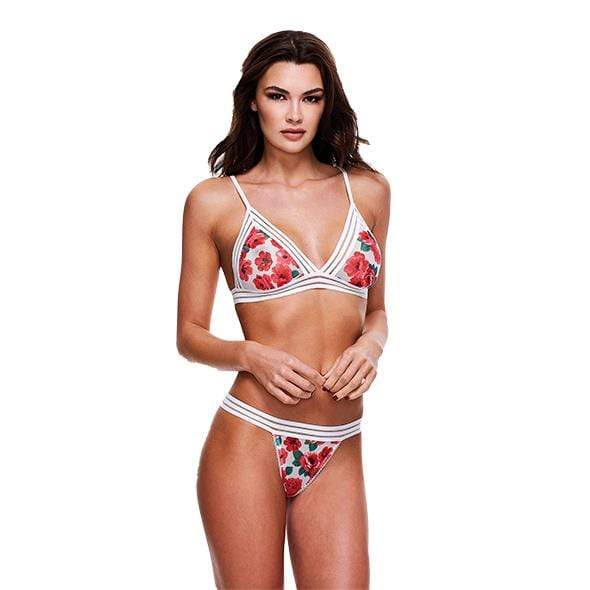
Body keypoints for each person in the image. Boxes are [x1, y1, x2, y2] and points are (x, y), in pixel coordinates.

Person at [176, 30, 390, 589]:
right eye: (278, 96)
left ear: (327, 103)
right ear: (253, 100)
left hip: (340, 442)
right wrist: (251, 355)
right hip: (252, 436)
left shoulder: (368, 191)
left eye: (310, 98)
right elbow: (189, 334)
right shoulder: (216, 201)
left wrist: (371, 346)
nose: (294, 114)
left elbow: (377, 310)